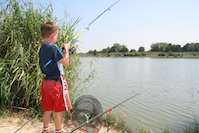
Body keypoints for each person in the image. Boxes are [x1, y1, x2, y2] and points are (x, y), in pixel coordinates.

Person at [38, 22, 72, 133]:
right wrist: (67, 50)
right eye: (57, 34)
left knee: (47, 109)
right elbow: (66, 62)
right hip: (56, 82)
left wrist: (60, 53)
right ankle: (59, 130)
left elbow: (52, 60)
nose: (57, 37)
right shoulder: (53, 47)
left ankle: (45, 130)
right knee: (58, 110)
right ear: (53, 35)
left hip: (46, 82)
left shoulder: (42, 48)